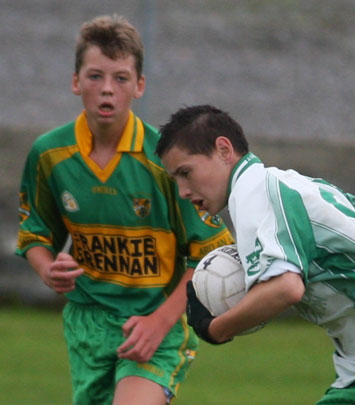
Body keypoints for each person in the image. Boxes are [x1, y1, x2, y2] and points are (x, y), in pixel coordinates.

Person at [155, 104, 355, 404]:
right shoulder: (298, 184)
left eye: (186, 173)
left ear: (223, 149)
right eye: (175, 180)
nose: (182, 192)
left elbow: (286, 288)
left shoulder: (252, 193)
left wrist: (215, 328)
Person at [16, 18, 234, 405]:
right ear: (75, 82)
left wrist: (160, 322)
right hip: (87, 324)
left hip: (156, 321)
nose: (106, 89)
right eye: (95, 76)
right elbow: (35, 233)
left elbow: (209, 255)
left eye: (120, 78)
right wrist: (46, 268)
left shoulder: (164, 160)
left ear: (139, 86)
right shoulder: (50, 155)